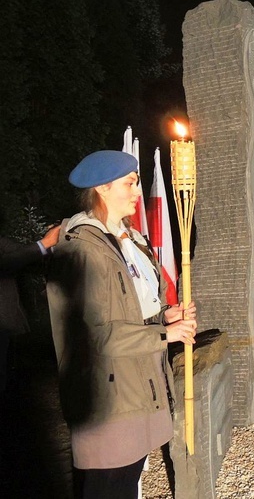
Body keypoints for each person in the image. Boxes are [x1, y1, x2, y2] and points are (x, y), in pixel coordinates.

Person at [46, 150, 198, 498]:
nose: (136, 192)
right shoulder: (83, 249)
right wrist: (165, 333)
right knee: (105, 488)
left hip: (139, 383)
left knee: (126, 484)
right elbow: (93, 335)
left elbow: (130, 311)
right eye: (129, 184)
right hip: (107, 397)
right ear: (103, 188)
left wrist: (164, 317)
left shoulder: (131, 242)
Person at [0, 225, 61, 394]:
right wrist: (45, 243)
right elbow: (7, 263)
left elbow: (25, 255)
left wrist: (53, 242)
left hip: (6, 323)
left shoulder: (2, 242)